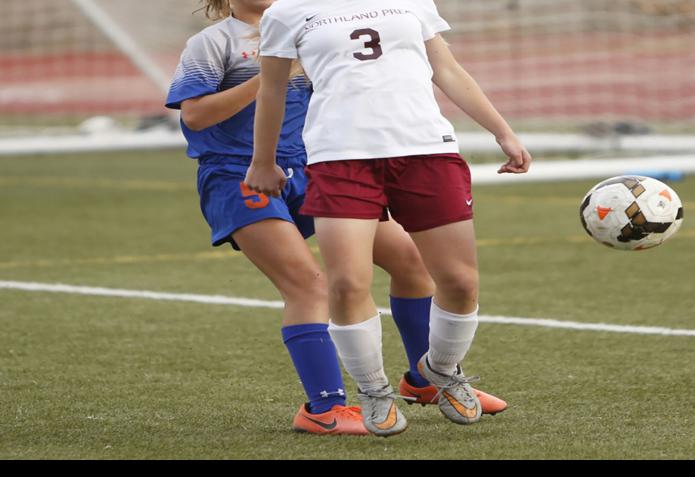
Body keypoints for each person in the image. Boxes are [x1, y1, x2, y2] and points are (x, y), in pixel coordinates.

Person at [167, 0, 505, 436]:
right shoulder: (213, 43)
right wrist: (268, 74)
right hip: (240, 174)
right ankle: (324, 407)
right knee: (311, 285)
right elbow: (194, 115)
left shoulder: (314, 22)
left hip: (317, 165)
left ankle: (426, 379)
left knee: (411, 263)